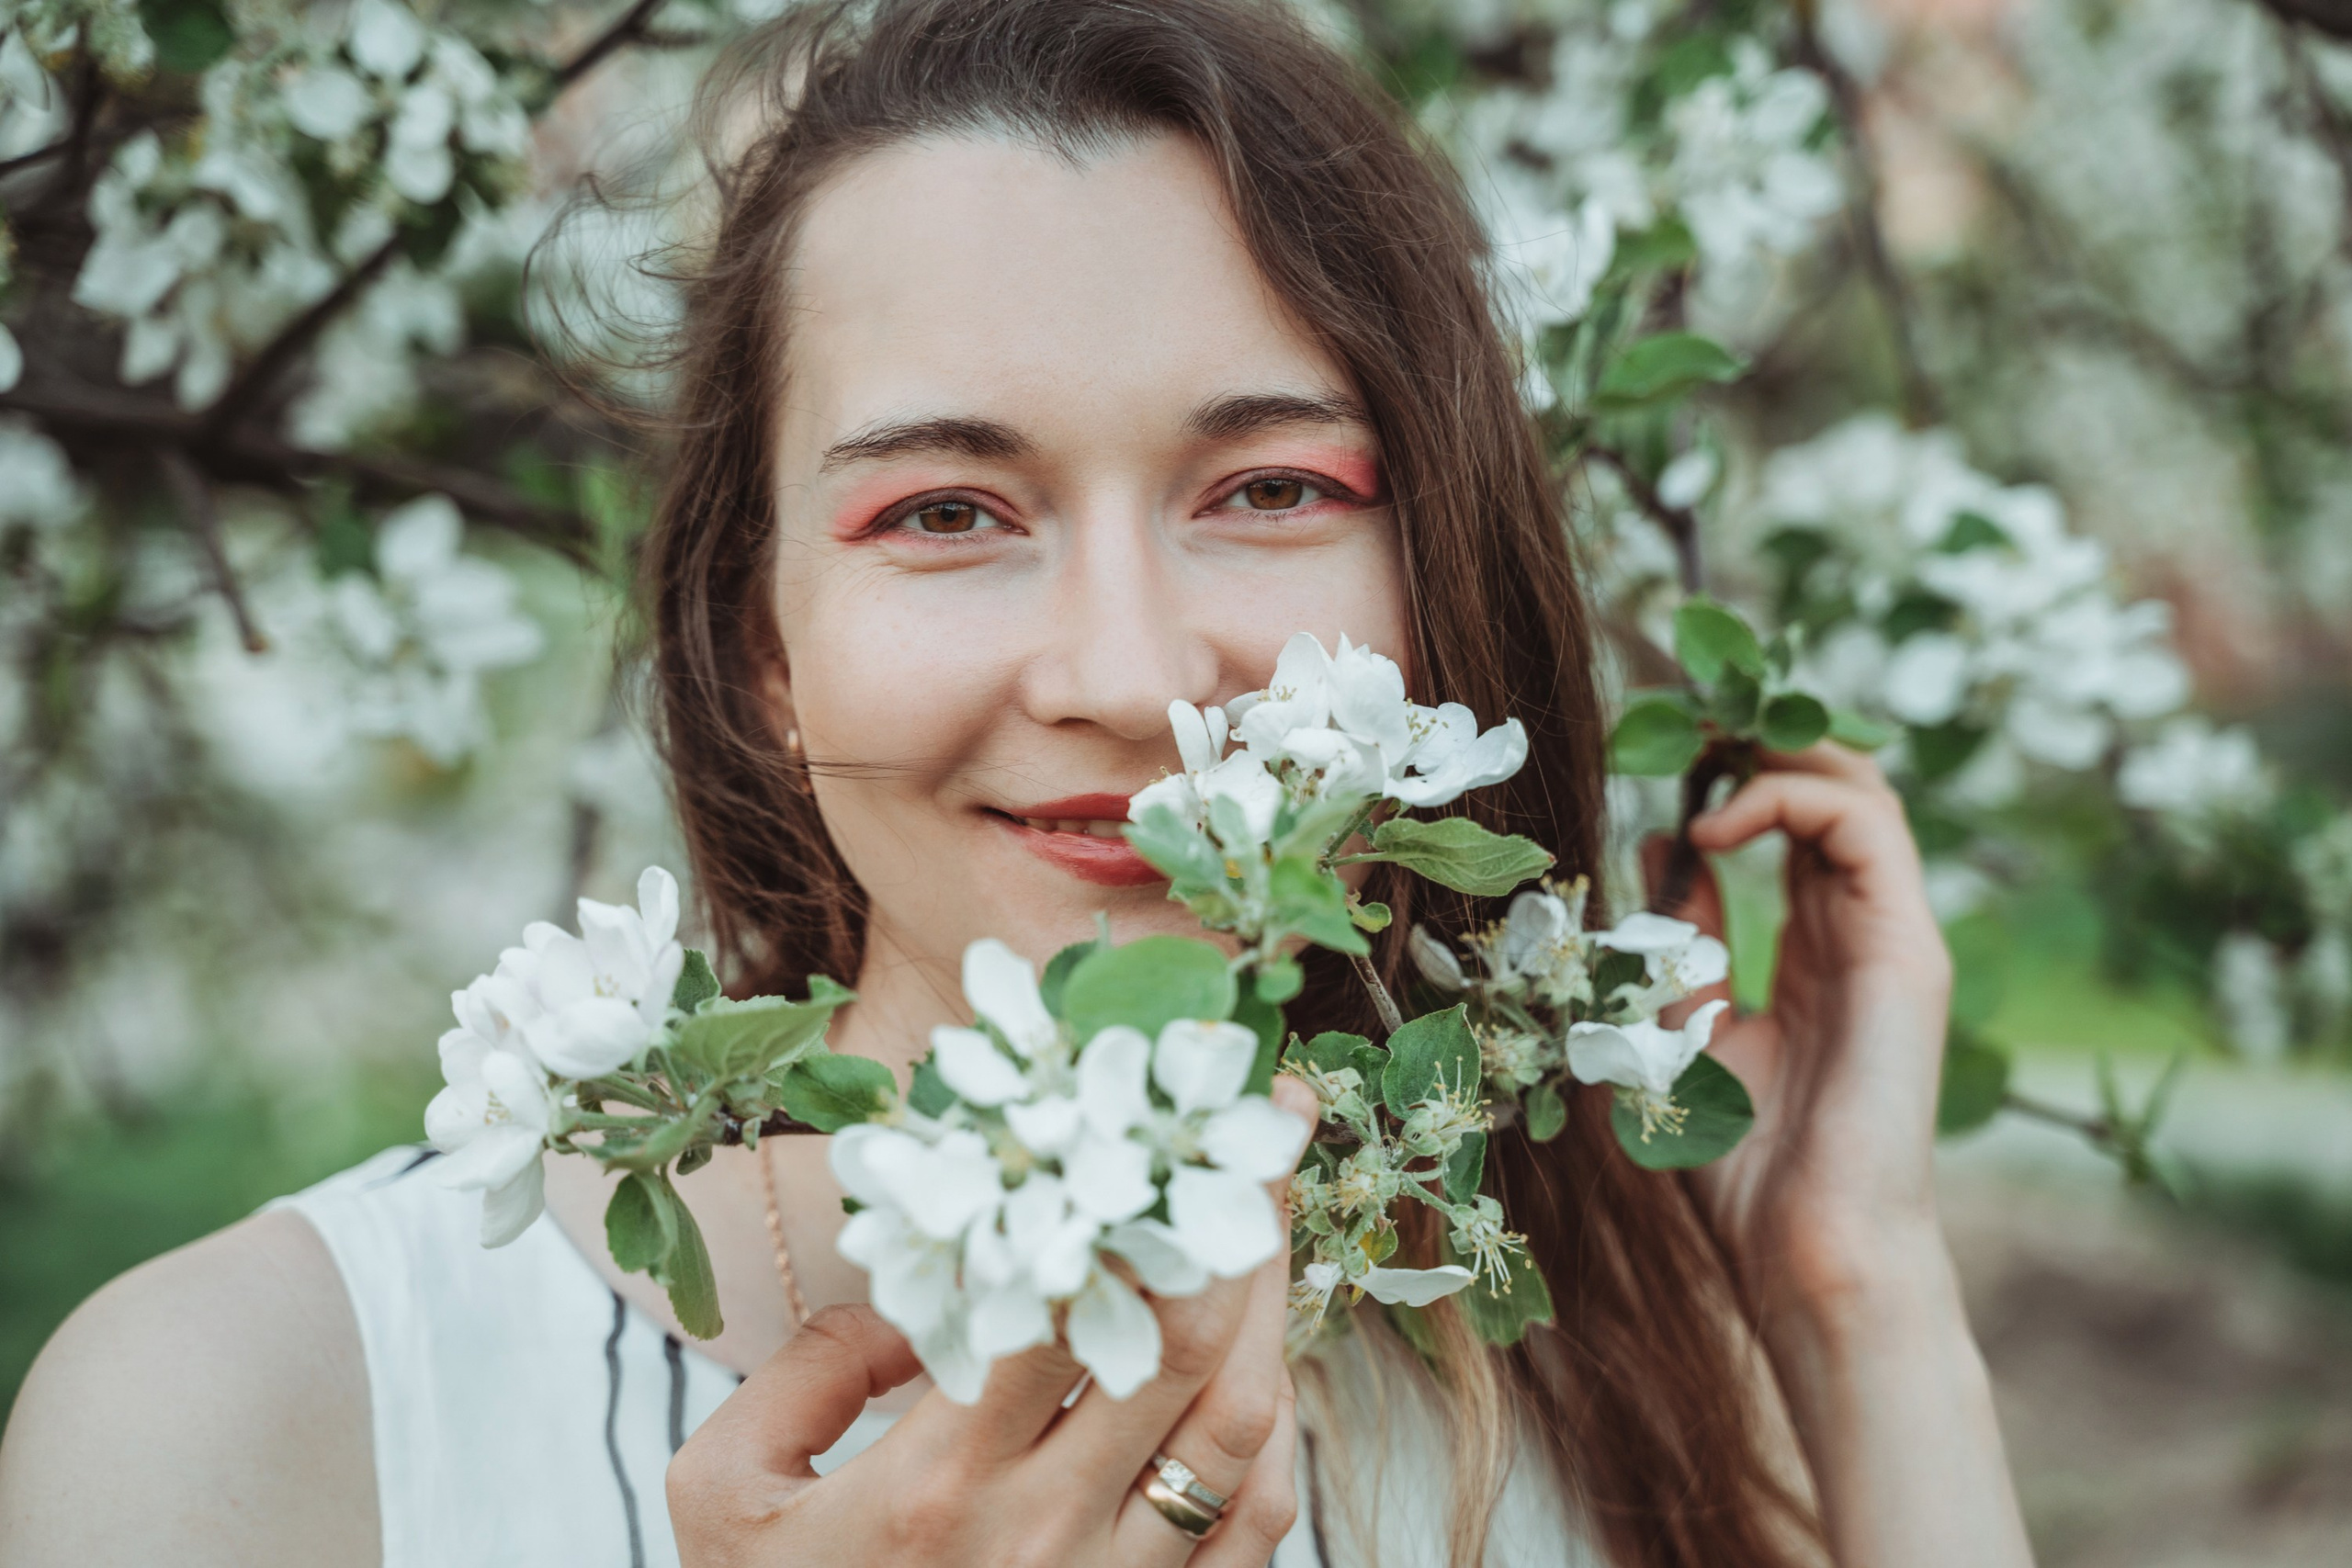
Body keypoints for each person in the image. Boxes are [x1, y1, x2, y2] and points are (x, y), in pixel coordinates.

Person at [0, 2, 2038, 1564]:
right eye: (946, 512)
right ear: (763, 645)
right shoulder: (248, 1414)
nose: (1128, 679)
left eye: (1269, 489)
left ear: (1436, 585)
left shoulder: (1570, 1344)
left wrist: (1850, 1297)